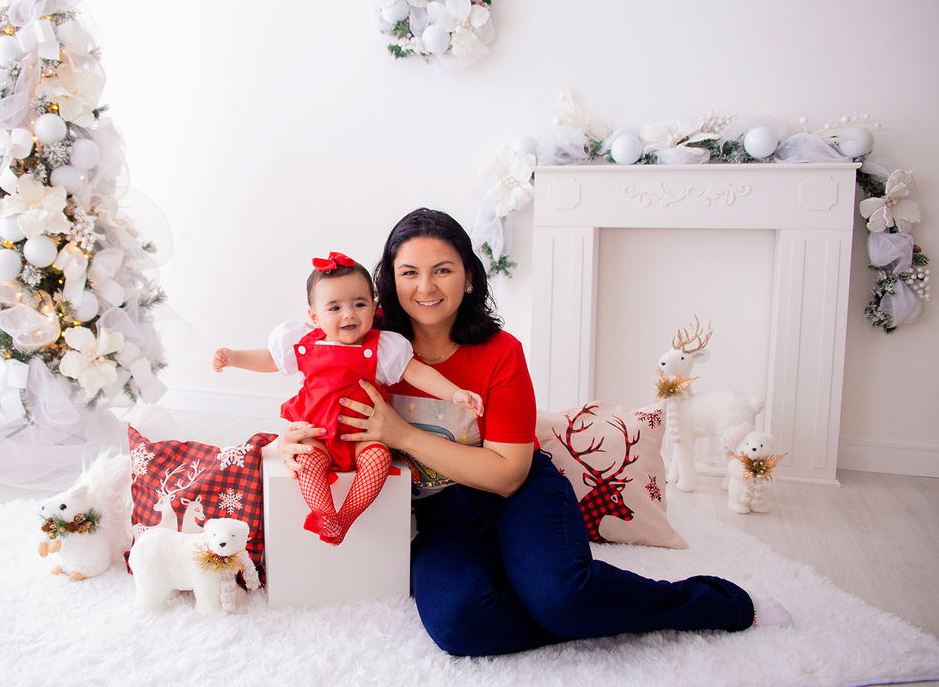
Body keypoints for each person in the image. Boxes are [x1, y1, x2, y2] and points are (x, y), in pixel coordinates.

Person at [276, 209, 792, 655]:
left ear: (470, 278)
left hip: (519, 495)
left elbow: (507, 475)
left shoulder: (501, 352)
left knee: (566, 596)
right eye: (408, 272)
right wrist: (285, 441)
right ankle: (559, 606)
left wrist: (401, 435)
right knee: (461, 626)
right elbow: (307, 382)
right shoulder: (363, 336)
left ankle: (712, 602)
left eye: (443, 270)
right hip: (439, 516)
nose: (425, 287)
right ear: (389, 281)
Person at [214, 251, 484, 545]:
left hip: (362, 436)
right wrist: (235, 357)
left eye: (359, 304)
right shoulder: (303, 343)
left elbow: (418, 373)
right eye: (335, 307)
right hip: (318, 433)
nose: (349, 314)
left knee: (379, 458)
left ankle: (346, 516)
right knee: (307, 461)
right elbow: (269, 360)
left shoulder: (382, 347)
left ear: (373, 307)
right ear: (314, 316)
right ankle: (324, 512)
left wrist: (454, 393)